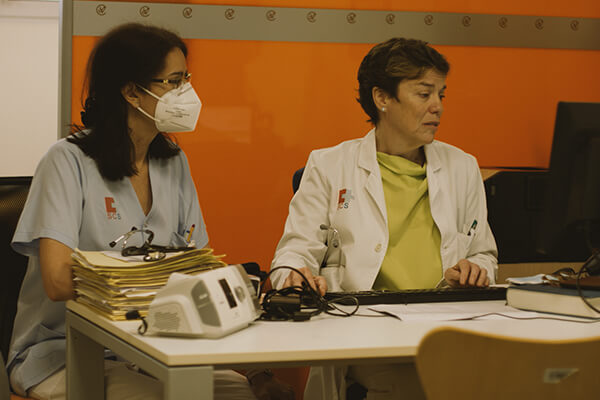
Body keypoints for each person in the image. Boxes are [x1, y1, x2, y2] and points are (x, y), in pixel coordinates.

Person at [7, 23, 292, 400]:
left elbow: (199, 273)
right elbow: (58, 282)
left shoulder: (173, 163)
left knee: (236, 393)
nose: (185, 93)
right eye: (173, 82)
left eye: (185, 79)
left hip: (155, 348)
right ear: (130, 92)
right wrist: (158, 281)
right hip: (66, 351)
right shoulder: (66, 161)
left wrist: (256, 371)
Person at [270, 38, 498, 399]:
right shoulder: (330, 165)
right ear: (382, 99)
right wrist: (295, 278)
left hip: (445, 325)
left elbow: (484, 253)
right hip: (365, 329)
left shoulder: (463, 166)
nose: (437, 107)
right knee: (425, 385)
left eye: (441, 94)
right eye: (424, 94)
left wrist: (476, 268)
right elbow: (292, 256)